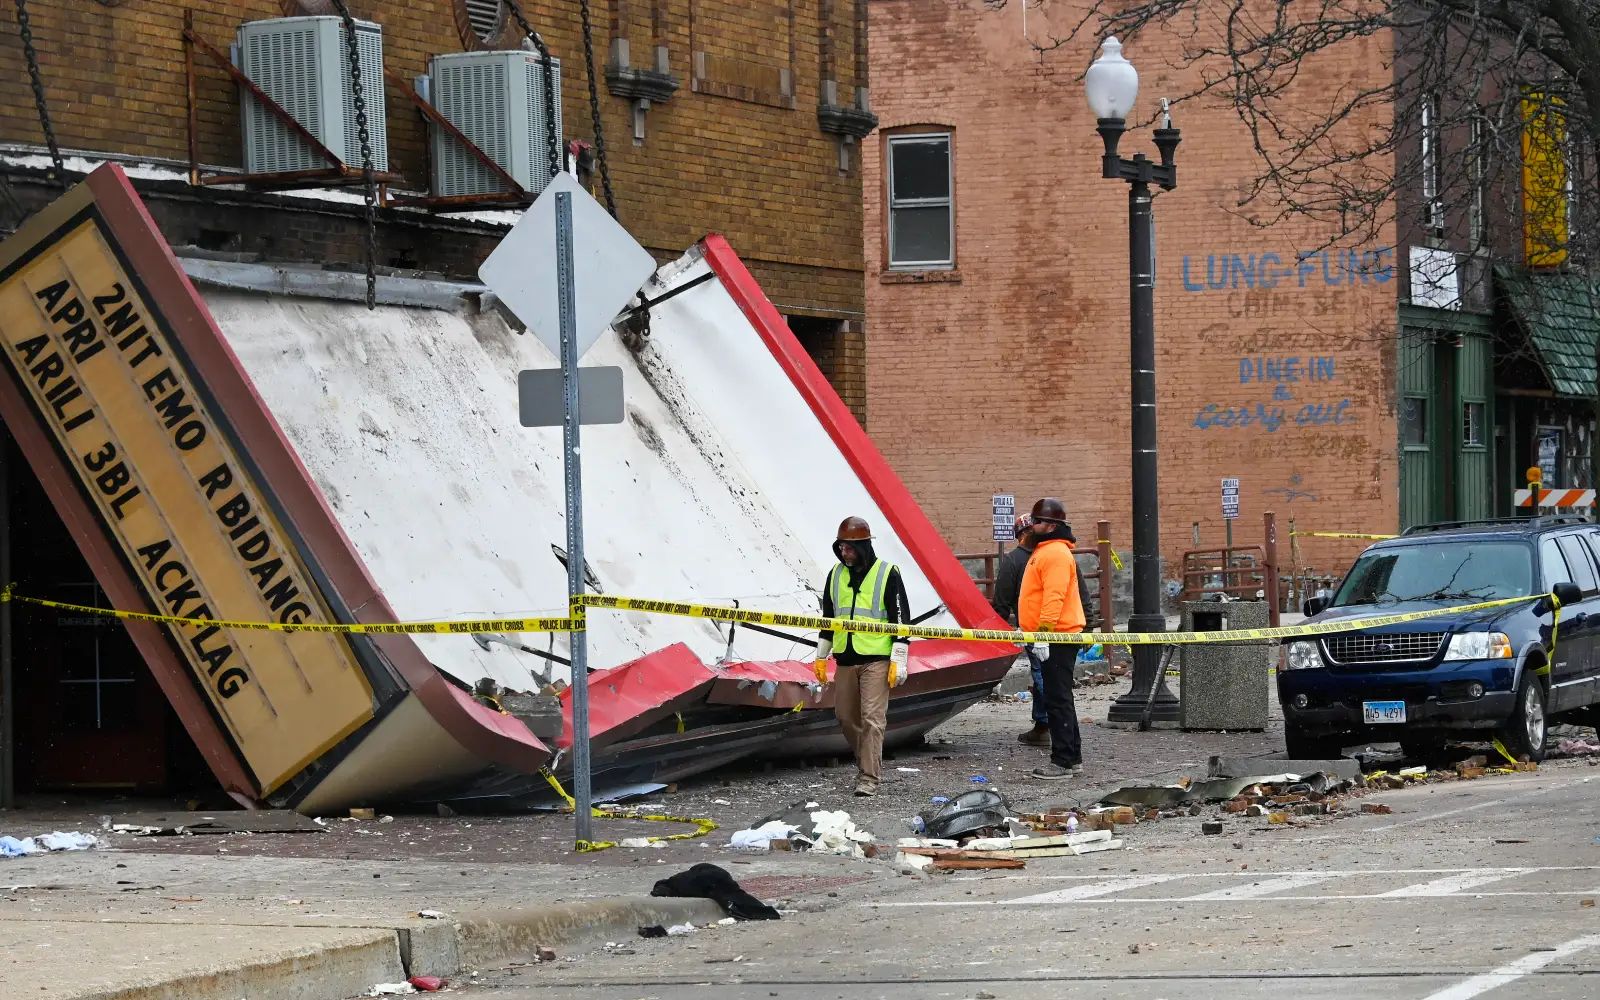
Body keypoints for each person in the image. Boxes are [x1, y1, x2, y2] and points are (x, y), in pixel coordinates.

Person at [814, 515, 911, 797]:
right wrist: (822, 655)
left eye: (849, 548)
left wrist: (899, 659)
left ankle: (869, 777)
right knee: (845, 716)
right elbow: (828, 618)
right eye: (841, 547)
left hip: (876, 659)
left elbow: (902, 620)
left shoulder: (887, 573)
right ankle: (867, 760)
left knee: (872, 718)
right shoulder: (835, 575)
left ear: (864, 547)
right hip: (845, 658)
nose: (844, 553)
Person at [1016, 497, 1086, 779]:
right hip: (1053, 635)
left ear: (1052, 524)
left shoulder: (1054, 553)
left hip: (1057, 637)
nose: (1033, 525)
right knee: (1060, 698)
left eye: (1038, 521)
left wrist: (1042, 634)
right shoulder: (1047, 550)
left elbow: (1053, 598)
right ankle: (1072, 757)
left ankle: (1062, 762)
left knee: (1057, 701)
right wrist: (1030, 629)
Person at [992, 514, 1051, 746]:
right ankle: (1045, 724)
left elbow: (1001, 600)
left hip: (1034, 627)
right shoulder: (1050, 555)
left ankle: (1046, 724)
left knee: (1041, 675)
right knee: (1049, 675)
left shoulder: (1014, 560)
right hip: (1059, 626)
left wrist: (998, 632)